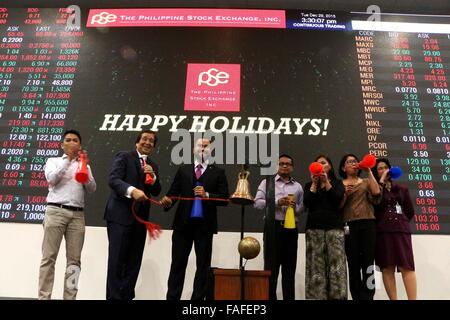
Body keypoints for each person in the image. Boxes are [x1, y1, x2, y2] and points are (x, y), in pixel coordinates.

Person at [160, 138, 229, 300]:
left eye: (206, 146)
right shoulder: (183, 169)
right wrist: (167, 201)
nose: (203, 148)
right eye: (200, 145)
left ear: (211, 151)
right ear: (193, 150)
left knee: (203, 266)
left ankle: (197, 302)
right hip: (182, 226)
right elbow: (173, 193)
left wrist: (208, 195)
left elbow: (224, 199)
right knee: (177, 264)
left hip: (205, 227)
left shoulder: (219, 172)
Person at [39, 129, 96, 300]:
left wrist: (83, 167)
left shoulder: (85, 164)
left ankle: (70, 298)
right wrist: (68, 161)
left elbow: (92, 189)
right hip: (55, 211)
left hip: (77, 216)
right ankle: (44, 297)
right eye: (68, 140)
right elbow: (51, 179)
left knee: (75, 262)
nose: (72, 143)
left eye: (75, 140)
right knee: (49, 258)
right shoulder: (53, 161)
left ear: (80, 145)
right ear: (62, 145)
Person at [104, 130, 161, 300]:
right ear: (137, 142)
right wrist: (132, 191)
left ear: (154, 146)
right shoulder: (124, 156)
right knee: (117, 261)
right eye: (144, 139)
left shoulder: (153, 165)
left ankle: (127, 297)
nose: (147, 142)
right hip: (120, 218)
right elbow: (113, 179)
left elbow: (156, 191)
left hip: (141, 220)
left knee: (134, 263)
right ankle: (114, 298)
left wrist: (153, 176)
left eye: (151, 141)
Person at [254, 154, 303, 300]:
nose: (285, 166)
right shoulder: (267, 183)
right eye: (281, 163)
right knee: (271, 269)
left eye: (288, 164)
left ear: (292, 167)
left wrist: (295, 208)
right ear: (277, 166)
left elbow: (302, 209)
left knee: (289, 270)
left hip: (291, 229)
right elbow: (257, 203)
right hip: (272, 228)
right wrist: (276, 202)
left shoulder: (298, 186)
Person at [371, 158, 417, 300]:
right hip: (383, 232)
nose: (384, 170)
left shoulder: (402, 189)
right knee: (387, 267)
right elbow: (376, 203)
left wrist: (401, 222)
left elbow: (409, 211)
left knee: (407, 267)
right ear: (375, 172)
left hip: (401, 231)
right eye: (380, 168)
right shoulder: (375, 189)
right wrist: (382, 181)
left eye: (386, 167)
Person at [303, 155, 347, 300]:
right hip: (314, 229)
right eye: (318, 163)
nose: (320, 165)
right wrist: (314, 184)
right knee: (315, 266)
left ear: (330, 167)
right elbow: (307, 203)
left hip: (334, 229)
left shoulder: (338, 183)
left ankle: (338, 297)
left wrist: (326, 182)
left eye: (324, 163)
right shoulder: (309, 185)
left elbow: (337, 200)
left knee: (337, 266)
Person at [339, 153, 381, 300]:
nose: (353, 164)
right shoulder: (340, 184)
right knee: (353, 262)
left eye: (355, 161)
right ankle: (356, 296)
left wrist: (369, 170)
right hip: (349, 225)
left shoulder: (365, 181)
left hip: (368, 223)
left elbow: (376, 192)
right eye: (349, 162)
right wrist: (345, 194)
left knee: (369, 262)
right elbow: (337, 207)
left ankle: (369, 296)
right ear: (343, 167)